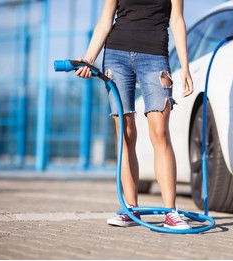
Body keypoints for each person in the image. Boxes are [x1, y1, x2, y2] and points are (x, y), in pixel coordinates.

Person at [75, 0, 194, 230]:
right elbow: (105, 19)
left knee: (160, 133)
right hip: (116, 56)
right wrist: (89, 58)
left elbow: (177, 20)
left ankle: (171, 212)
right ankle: (131, 209)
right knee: (126, 134)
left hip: (154, 56)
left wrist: (186, 67)